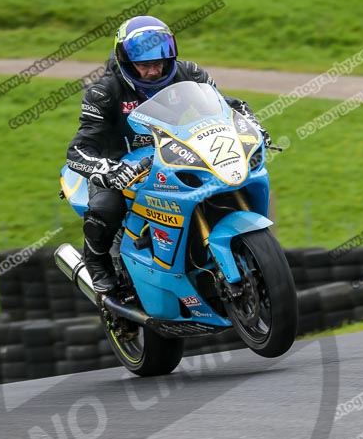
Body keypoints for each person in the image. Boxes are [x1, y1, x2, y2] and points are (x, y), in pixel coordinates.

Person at [66, 15, 270, 293]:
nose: (154, 71)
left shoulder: (191, 74)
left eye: (159, 62)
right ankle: (96, 260)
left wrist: (253, 129)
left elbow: (230, 108)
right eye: (144, 65)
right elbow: (78, 149)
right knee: (106, 208)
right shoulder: (104, 92)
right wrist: (109, 171)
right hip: (122, 166)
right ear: (126, 63)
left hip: (178, 154)